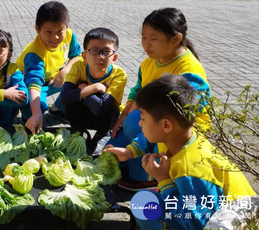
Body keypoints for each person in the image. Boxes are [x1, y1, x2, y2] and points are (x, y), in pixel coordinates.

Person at [108, 74, 256, 229]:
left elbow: (198, 222)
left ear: (165, 125)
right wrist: (127, 152)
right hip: (211, 211)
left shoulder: (190, 168)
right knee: (143, 202)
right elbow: (147, 139)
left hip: (226, 223)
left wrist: (163, 180)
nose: (139, 123)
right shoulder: (180, 137)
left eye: (143, 118)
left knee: (144, 204)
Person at [106, 7, 211, 189]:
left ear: (176, 39)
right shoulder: (149, 63)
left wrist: (131, 125)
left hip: (178, 130)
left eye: (154, 39)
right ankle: (136, 160)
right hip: (150, 122)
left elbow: (182, 119)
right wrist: (121, 119)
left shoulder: (189, 71)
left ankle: (147, 178)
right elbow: (137, 90)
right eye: (144, 37)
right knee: (111, 151)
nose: (146, 44)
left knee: (134, 121)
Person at [16, 1, 82, 134]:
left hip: (51, 79)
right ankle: (28, 118)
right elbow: (34, 84)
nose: (55, 37)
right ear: (37, 29)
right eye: (49, 32)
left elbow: (77, 56)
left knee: (82, 80)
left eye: (59, 31)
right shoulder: (34, 53)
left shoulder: (69, 35)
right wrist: (37, 113)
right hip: (27, 85)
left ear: (66, 27)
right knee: (39, 106)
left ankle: (58, 109)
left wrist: (66, 70)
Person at [60, 27, 127, 153]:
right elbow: (64, 97)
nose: (100, 57)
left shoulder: (119, 75)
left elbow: (102, 107)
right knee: (71, 101)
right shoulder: (79, 66)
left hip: (103, 117)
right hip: (84, 113)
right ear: (84, 55)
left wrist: (83, 90)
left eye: (106, 52)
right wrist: (95, 88)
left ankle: (100, 137)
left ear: (115, 57)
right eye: (94, 51)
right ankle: (78, 131)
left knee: (111, 108)